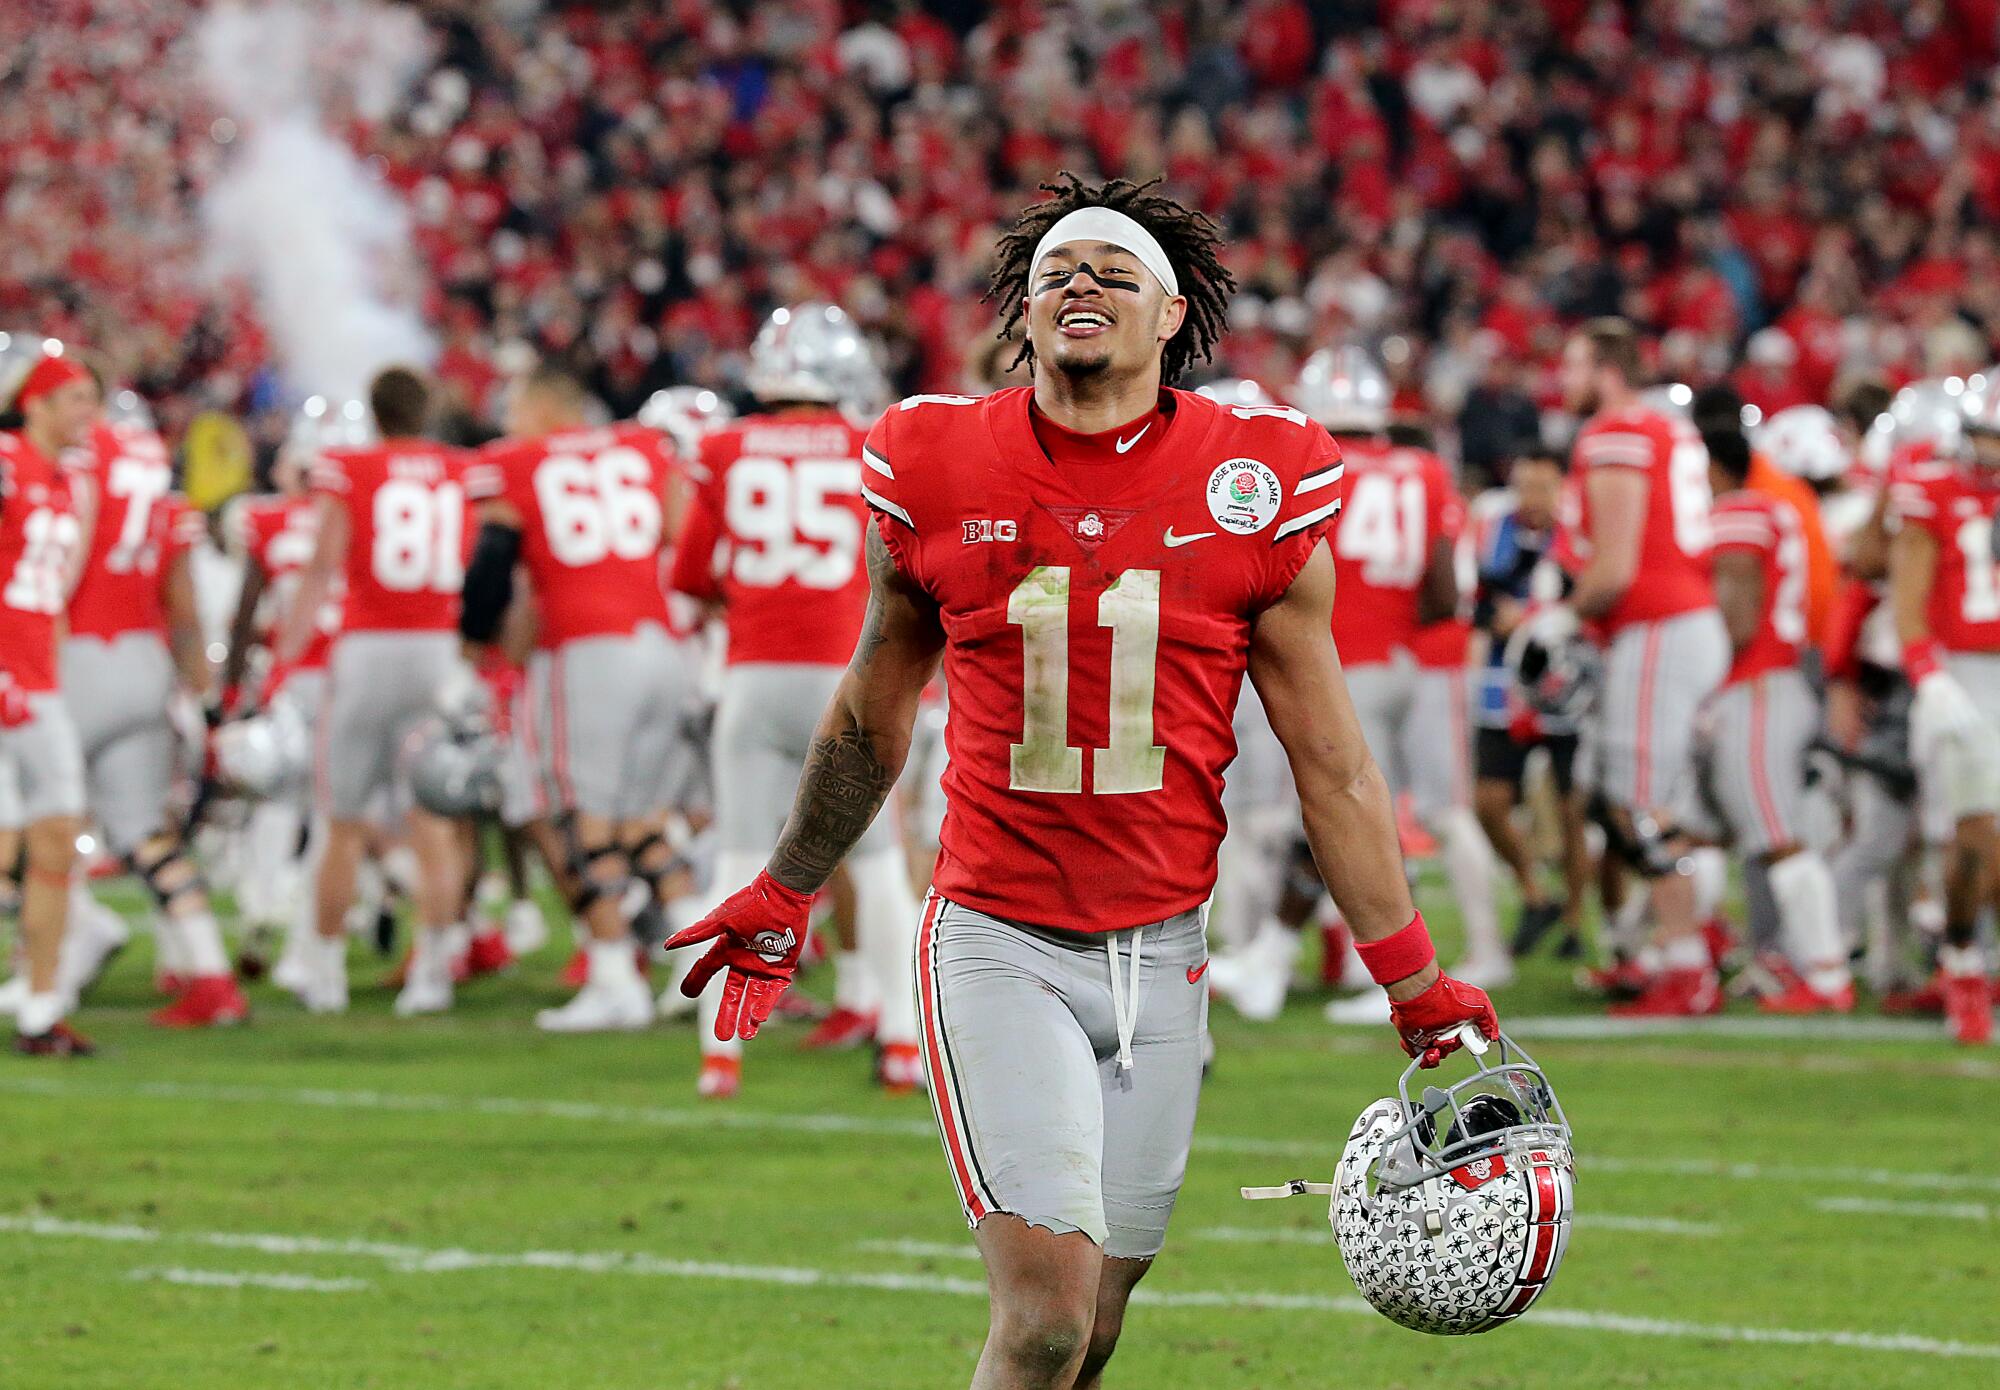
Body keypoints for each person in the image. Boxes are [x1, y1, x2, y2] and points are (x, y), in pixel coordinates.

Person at [667, 175, 1499, 1390]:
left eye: (1114, 272)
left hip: (1164, 948)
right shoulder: (934, 460)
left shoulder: (1251, 485)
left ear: (1171, 318)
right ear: (1021, 309)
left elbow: (1332, 766)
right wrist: (788, 887)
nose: (1081, 284)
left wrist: (1414, 982)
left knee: (1096, 1327)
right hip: (998, 936)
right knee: (1046, 1318)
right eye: (1056, 270)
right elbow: (868, 710)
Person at [666, 303, 923, 1098]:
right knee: (878, 866)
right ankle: (902, 1041)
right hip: (844, 674)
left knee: (742, 861)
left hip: (751, 675)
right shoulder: (869, 446)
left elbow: (689, 577)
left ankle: (720, 1058)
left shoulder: (722, 447)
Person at [461, 363, 688, 1033]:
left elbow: (490, 575)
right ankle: (700, 951)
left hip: (585, 649)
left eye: (514, 407)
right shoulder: (645, 446)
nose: (506, 420)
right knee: (641, 819)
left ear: (544, 409)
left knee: (575, 819)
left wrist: (473, 650)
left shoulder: (515, 461)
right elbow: (682, 538)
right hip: (661, 643)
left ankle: (615, 976)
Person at [275, 366, 471, 1016]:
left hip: (368, 652)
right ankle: (433, 974)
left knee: (344, 822)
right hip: (439, 650)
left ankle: (326, 975)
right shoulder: (456, 470)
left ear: (375, 413)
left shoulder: (350, 468)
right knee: (433, 824)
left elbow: (322, 565)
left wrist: (287, 654)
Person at [1557, 319, 1731, 1016]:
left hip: (1658, 626)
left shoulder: (1619, 429)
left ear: (1607, 369)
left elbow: (1616, 564)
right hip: (1675, 624)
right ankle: (1674, 941)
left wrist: (1564, 615)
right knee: (1633, 796)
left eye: (1573, 365)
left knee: (1642, 803)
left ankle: (1687, 962)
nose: (1563, 381)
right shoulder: (1661, 427)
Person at [62, 387, 247, 1026]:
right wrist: (199, 693)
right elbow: (185, 606)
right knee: (147, 833)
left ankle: (68, 950)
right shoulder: (158, 483)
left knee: (37, 823)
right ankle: (213, 978)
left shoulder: (71, 464)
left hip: (72, 655)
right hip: (145, 663)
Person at [1688, 409, 1853, 1012]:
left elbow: (1734, 617)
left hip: (1753, 686)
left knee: (1780, 837)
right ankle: (1702, 955)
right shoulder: (1768, 509)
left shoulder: (1738, 512)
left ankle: (1828, 974)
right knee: (1698, 830)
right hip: (1763, 681)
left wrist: (1695, 683)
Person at [1883, 386, 2000, 1044]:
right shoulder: (1935, 492)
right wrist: (1930, 677)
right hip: (1967, 673)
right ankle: (1961, 960)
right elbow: (1908, 600)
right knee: (1976, 833)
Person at [0, 350, 95, 1053]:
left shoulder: (66, 482)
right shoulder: (7, 461)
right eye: (75, 401)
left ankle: (40, 1002)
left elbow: (52, 601)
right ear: (35, 402)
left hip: (39, 684)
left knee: (57, 838)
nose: (86, 415)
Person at [1470, 448, 1590, 957]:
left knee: (1573, 810)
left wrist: (1545, 615)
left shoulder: (1581, 534)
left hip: (1569, 692)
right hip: (1505, 687)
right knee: (1489, 802)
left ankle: (1575, 921)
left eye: (1543, 486)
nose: (1533, 497)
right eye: (1525, 485)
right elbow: (1475, 599)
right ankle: (1535, 892)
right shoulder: (1491, 530)